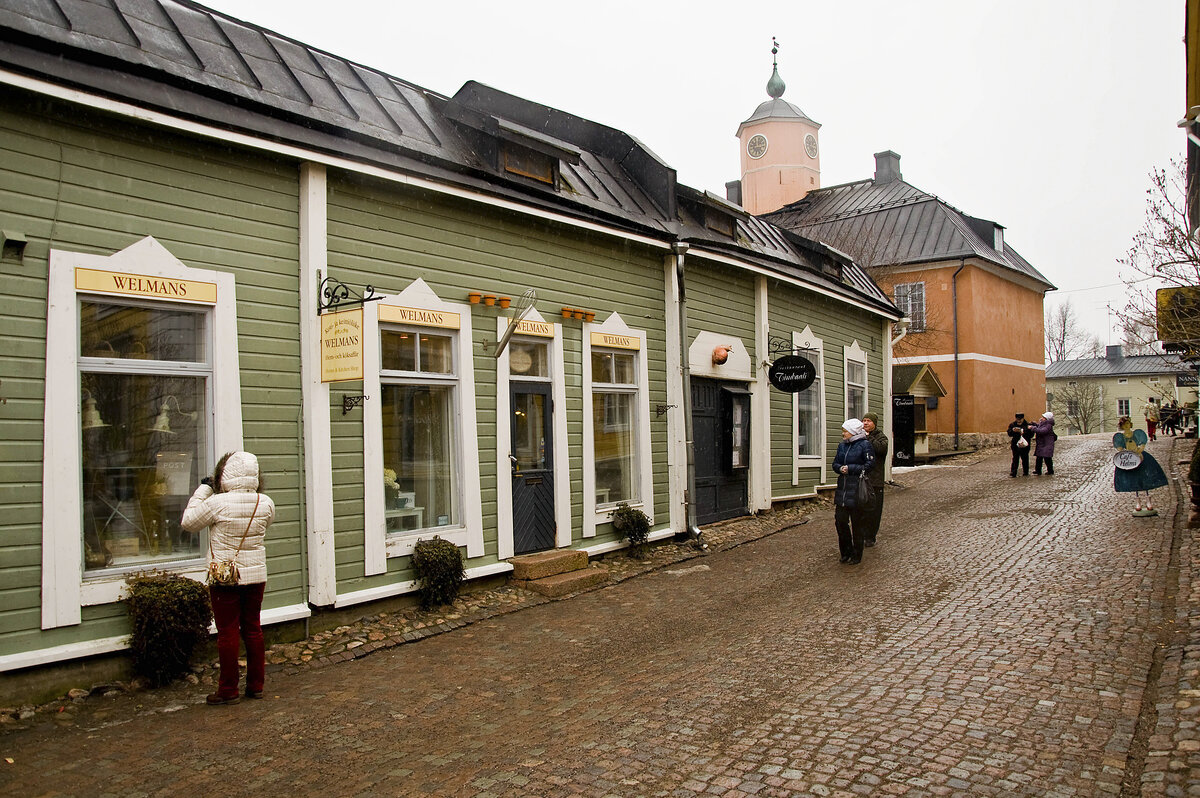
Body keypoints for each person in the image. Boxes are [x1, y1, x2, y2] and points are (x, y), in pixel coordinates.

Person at [181, 451, 276, 705]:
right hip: (256, 574)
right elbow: (264, 527)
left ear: (224, 474)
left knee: (227, 632)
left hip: (225, 576)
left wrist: (204, 489)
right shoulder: (265, 503)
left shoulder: (218, 503)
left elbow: (188, 521)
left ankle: (228, 689)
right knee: (253, 629)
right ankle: (256, 686)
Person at [832, 418, 875, 565]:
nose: (843, 434)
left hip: (857, 488)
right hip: (843, 489)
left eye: (845, 431)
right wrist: (839, 468)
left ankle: (857, 554)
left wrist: (851, 469)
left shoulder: (865, 445)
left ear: (852, 432)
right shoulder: (842, 446)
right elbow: (835, 463)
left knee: (857, 524)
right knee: (840, 522)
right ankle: (845, 552)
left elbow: (869, 465)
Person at [1113, 417, 1168, 515]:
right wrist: (1124, 453)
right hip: (1130, 458)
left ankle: (1148, 501)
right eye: (1125, 424)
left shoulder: (1137, 434)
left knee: (1145, 477)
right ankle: (1138, 502)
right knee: (1134, 478)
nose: (1127, 426)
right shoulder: (1120, 437)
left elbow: (1142, 445)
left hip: (1140, 456)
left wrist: (1139, 451)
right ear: (1122, 426)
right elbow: (1120, 448)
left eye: (1128, 424)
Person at [861, 412, 889, 547]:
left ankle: (870, 536)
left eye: (868, 421)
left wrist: (868, 438)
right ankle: (861, 534)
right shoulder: (859, 436)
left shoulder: (881, 437)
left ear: (874, 423)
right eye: (864, 420)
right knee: (861, 509)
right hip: (861, 479)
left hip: (875, 481)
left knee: (875, 510)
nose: (865, 423)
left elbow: (881, 449)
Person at [1030, 411, 1057, 476]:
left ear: (1047, 419)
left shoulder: (1048, 425)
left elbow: (1042, 431)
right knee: (1039, 458)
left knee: (1047, 458)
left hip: (1046, 444)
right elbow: (1040, 427)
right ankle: (1038, 470)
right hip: (1042, 444)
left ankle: (1050, 471)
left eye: (1043, 417)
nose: (1042, 418)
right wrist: (1034, 424)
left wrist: (1033, 428)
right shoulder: (1044, 423)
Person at [1007, 413, 1033, 477]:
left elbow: (1031, 435)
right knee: (1015, 459)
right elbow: (1009, 433)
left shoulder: (1028, 425)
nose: (1018, 421)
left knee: (1025, 459)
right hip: (1015, 444)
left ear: (1023, 419)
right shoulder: (1012, 425)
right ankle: (1013, 473)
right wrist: (1013, 431)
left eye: (1020, 420)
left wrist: (1023, 431)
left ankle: (1026, 472)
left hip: (1025, 445)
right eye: (1017, 420)